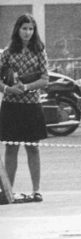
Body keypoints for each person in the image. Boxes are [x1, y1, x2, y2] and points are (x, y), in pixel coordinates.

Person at [0, 14, 50, 203]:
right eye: (24, 28)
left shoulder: (40, 51)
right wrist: (8, 88)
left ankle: (36, 190)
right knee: (11, 149)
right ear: (17, 30)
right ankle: (7, 190)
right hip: (11, 106)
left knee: (33, 148)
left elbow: (45, 80)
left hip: (32, 106)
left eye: (30, 29)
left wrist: (27, 87)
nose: (27, 32)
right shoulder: (7, 52)